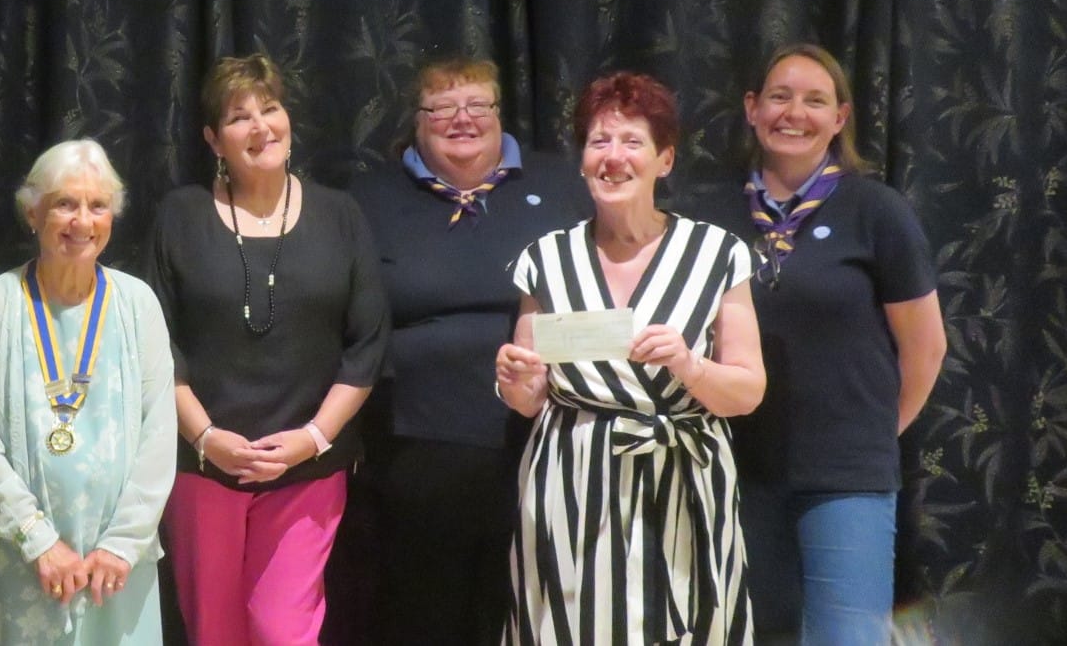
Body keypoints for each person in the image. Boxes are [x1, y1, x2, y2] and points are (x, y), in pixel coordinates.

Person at [495, 71, 766, 644]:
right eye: (599, 141)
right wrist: (516, 381)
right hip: (572, 485)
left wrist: (690, 366)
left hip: (685, 479)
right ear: (582, 160)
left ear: (665, 160)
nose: (613, 157)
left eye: (632, 141)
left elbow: (747, 392)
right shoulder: (546, 259)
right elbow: (529, 398)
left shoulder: (717, 253)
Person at [694, 44, 946, 645]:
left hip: (847, 475)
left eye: (814, 100)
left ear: (840, 118)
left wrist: (872, 431)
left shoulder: (877, 211)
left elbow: (926, 348)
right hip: (738, 469)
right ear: (752, 108)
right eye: (779, 97)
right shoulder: (709, 216)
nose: (794, 113)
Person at [147, 53, 390, 646]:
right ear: (213, 140)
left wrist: (313, 439)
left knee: (282, 631)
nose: (261, 127)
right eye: (239, 117)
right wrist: (207, 439)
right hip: (204, 467)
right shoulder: (179, 216)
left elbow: (367, 345)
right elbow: (156, 346)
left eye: (271, 109)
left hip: (309, 466)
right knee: (215, 632)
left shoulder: (340, 214)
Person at [347, 55, 588, 645]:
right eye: (442, 108)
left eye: (478, 104)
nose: (463, 119)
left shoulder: (563, 186)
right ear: (417, 120)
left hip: (546, 440)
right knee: (427, 617)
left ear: (500, 114)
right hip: (414, 450)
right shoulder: (369, 200)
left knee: (533, 612)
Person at [0, 139, 175, 645]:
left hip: (116, 568)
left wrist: (123, 544)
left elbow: (161, 434)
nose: (82, 221)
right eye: (65, 204)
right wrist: (37, 541)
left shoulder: (138, 304)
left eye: (98, 205)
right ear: (33, 213)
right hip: (22, 560)